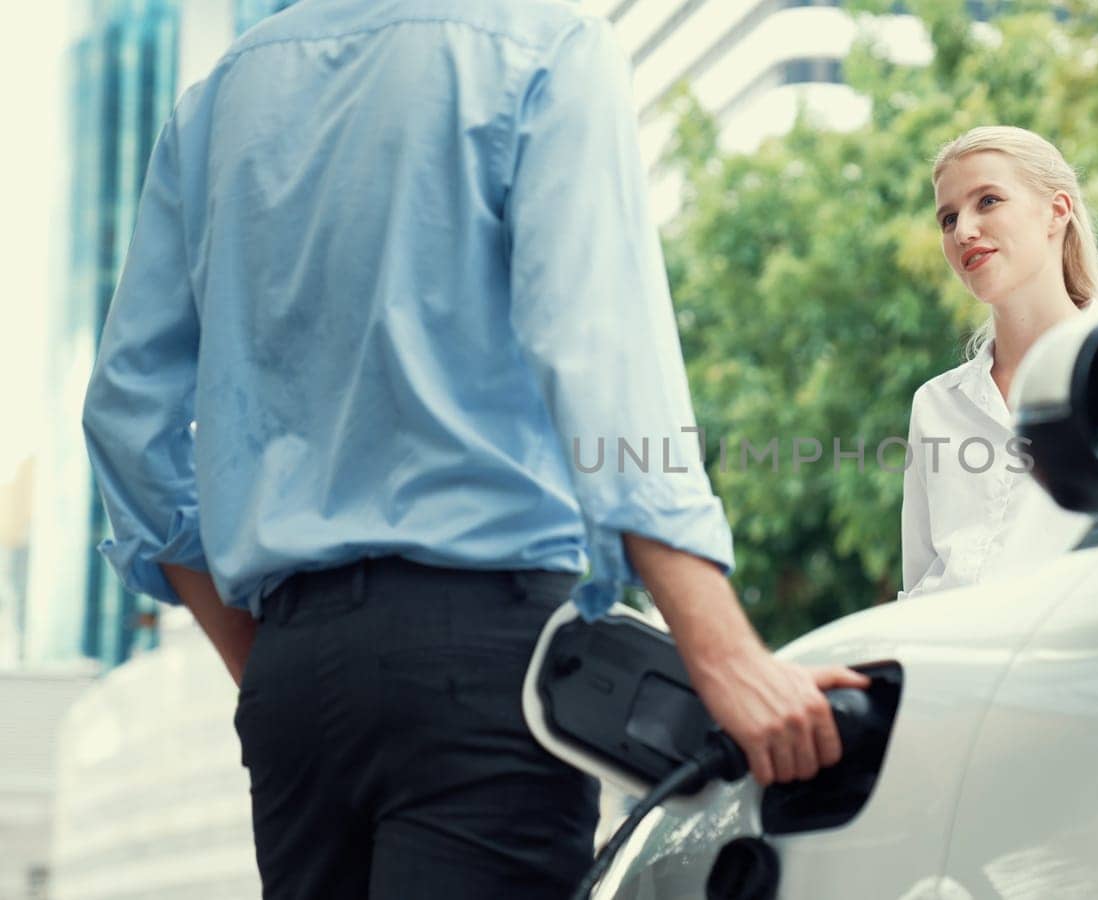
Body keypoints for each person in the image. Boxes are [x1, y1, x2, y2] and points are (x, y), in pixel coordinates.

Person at [80, 2, 866, 897]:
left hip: (294, 686)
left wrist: (263, 660)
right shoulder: (542, 45)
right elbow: (598, 356)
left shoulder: (217, 100)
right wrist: (726, 653)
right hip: (483, 667)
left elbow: (124, 420)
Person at [900, 126, 1098, 598]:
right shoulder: (934, 404)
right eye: (948, 218)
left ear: (1056, 212)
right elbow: (917, 582)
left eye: (988, 201)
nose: (964, 231)